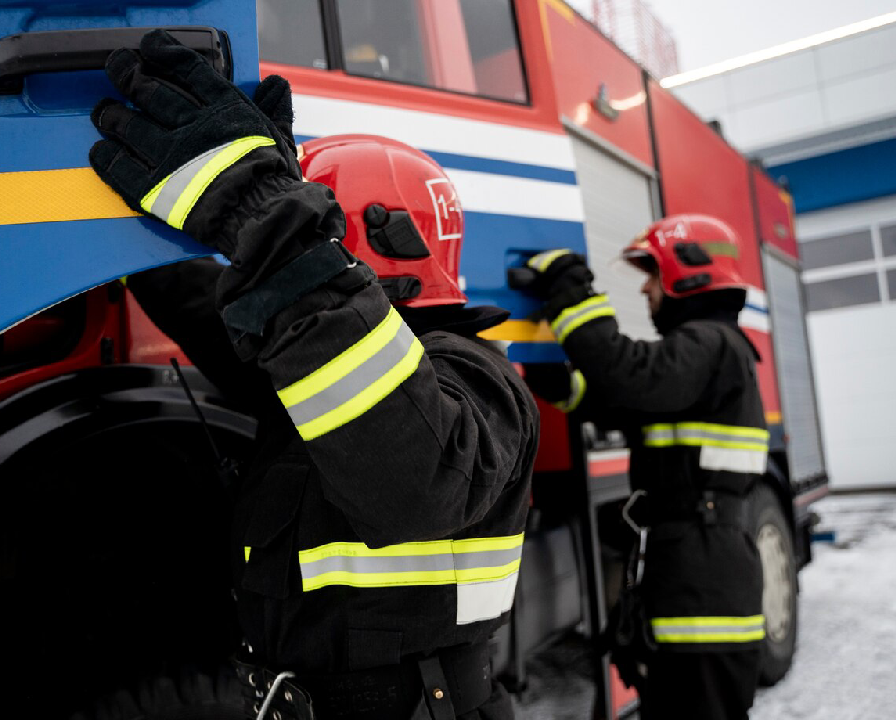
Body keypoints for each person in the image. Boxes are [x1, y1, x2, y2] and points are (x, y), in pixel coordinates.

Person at [89, 30, 538, 720]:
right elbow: (204, 305)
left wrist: (265, 207)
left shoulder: (476, 376)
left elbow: (411, 485)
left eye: (316, 230)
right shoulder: (313, 367)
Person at [520, 216, 766, 720]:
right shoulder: (701, 358)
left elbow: (629, 376)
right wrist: (547, 373)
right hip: (696, 567)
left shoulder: (711, 343)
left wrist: (570, 287)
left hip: (704, 581)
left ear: (689, 274)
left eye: (653, 275)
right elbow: (617, 399)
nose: (647, 290)